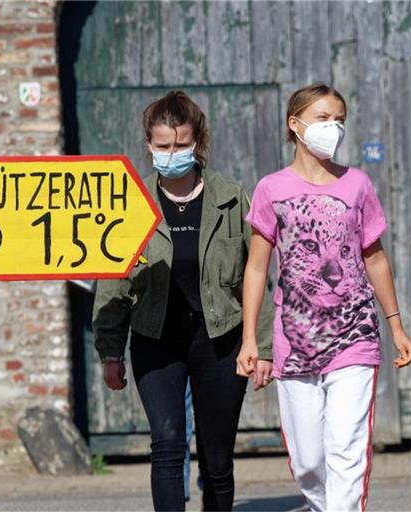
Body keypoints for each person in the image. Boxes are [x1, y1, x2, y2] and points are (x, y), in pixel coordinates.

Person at [93, 90, 275, 511]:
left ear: (198, 142)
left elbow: (256, 274)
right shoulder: (131, 203)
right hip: (155, 339)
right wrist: (110, 351)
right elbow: (113, 283)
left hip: (219, 340)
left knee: (217, 457)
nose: (171, 153)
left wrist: (261, 345)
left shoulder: (230, 197)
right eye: (162, 146)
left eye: (180, 145)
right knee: (168, 443)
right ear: (148, 145)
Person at [237, 83, 411, 512]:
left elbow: (374, 257)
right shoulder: (271, 189)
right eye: (322, 118)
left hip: (355, 335)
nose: (332, 127)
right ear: (294, 125)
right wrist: (250, 339)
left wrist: (395, 324)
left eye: (339, 119)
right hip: (294, 342)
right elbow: (258, 267)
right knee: (310, 463)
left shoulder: (357, 184)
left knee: (345, 451)